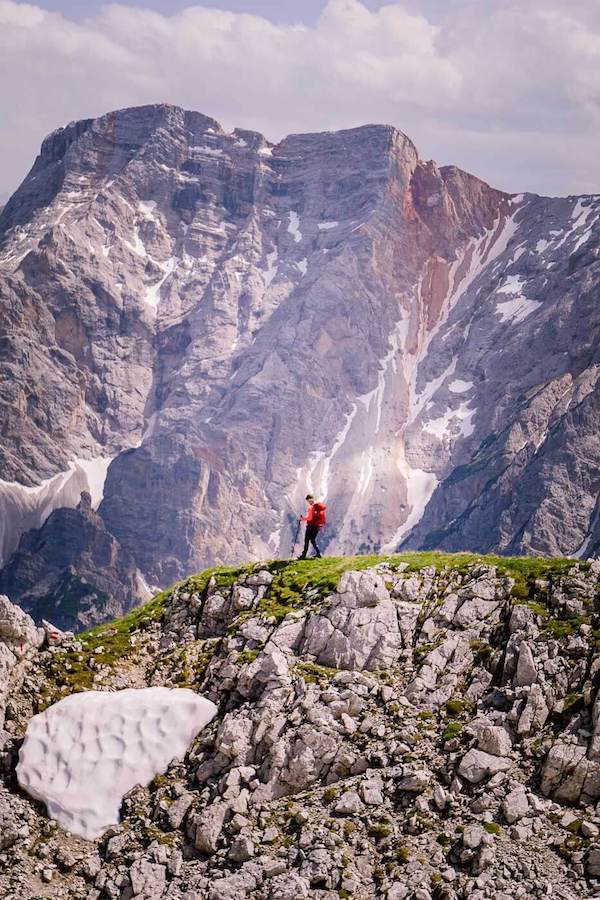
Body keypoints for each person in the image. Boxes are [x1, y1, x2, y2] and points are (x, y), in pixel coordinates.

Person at [298, 494, 326, 559]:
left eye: (308, 500)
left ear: (308, 499)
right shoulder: (317, 507)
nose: (308, 501)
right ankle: (318, 553)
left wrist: (302, 519)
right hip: (317, 526)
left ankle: (303, 555)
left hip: (311, 526)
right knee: (313, 539)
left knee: (306, 540)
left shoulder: (311, 507)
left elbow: (310, 518)